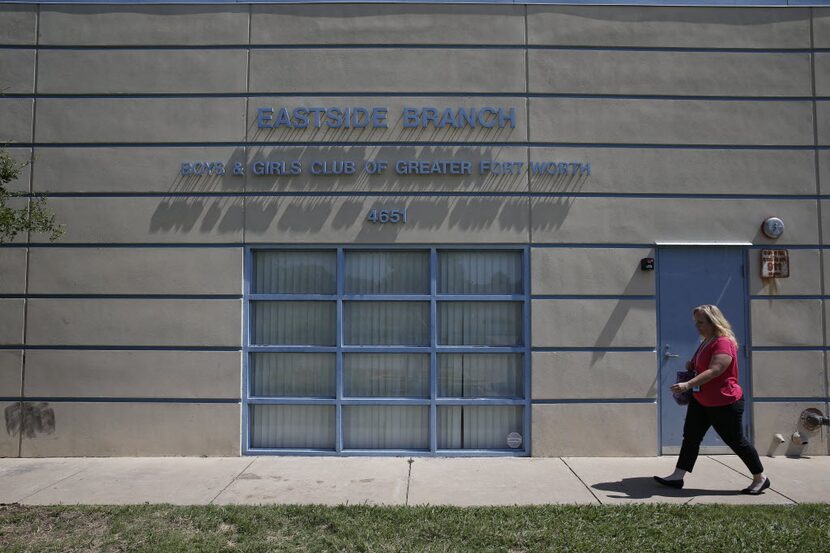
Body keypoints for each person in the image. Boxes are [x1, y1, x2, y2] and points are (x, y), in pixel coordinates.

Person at [654, 304, 770, 495]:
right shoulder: (706, 341)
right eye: (696, 322)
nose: (697, 326)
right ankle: (677, 476)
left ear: (713, 321)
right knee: (691, 437)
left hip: (724, 402)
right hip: (702, 400)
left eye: (701, 322)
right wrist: (692, 365)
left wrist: (688, 384)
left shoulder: (723, 342)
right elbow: (704, 365)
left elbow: (716, 370)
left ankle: (760, 478)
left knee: (736, 441)